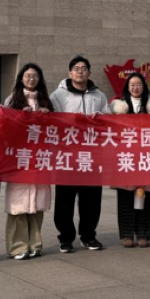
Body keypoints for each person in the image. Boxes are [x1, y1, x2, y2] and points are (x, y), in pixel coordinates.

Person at [49, 55, 110, 252]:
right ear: (69, 73)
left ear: (89, 72)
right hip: (67, 155)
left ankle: (88, 236)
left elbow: (109, 119)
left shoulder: (99, 95)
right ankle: (65, 237)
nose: (80, 71)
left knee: (91, 199)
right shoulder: (58, 95)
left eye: (84, 68)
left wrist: (102, 118)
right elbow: (53, 120)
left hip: (92, 155)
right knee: (64, 200)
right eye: (76, 68)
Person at [2, 63, 53, 260]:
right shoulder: (12, 100)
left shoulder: (45, 100)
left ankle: (35, 245)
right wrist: (19, 118)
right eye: (27, 75)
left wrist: (48, 117)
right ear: (21, 78)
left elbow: (55, 130)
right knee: (19, 205)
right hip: (20, 158)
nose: (31, 79)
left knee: (37, 204)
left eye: (35, 76)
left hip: (40, 158)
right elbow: (5, 127)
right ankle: (17, 247)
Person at [109, 72, 150, 248]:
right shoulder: (118, 107)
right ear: (127, 87)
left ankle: (143, 233)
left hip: (145, 156)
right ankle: (127, 234)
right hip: (125, 157)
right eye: (132, 85)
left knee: (144, 195)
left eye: (138, 84)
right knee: (125, 196)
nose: (135, 88)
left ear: (144, 87)